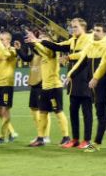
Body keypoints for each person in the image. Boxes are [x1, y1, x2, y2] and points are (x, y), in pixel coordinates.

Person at [34, 18, 93, 149]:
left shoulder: (88, 39)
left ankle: (87, 140)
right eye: (71, 27)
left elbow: (84, 54)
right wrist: (39, 41)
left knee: (86, 111)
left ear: (83, 27)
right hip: (73, 79)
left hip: (85, 78)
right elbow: (57, 46)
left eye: (76, 27)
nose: (73, 29)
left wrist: (68, 57)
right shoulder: (72, 40)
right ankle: (75, 139)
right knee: (73, 110)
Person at [66, 24, 106, 152]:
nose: (94, 33)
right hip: (94, 85)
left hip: (104, 84)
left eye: (98, 31)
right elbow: (82, 62)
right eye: (94, 30)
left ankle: (96, 143)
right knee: (103, 113)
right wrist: (71, 75)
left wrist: (95, 78)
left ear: (105, 33)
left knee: (101, 114)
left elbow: (104, 65)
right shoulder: (91, 46)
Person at [25, 30, 72, 146]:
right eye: (40, 38)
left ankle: (66, 137)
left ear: (49, 41)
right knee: (42, 112)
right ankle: (41, 138)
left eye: (43, 38)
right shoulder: (43, 52)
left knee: (58, 111)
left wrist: (36, 42)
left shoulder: (52, 51)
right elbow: (38, 50)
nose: (41, 40)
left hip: (54, 86)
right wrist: (31, 42)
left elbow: (42, 49)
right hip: (45, 87)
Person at [16, 31, 50, 144]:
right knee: (33, 108)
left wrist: (32, 41)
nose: (40, 40)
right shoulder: (36, 53)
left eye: (42, 39)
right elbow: (26, 58)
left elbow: (37, 49)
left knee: (43, 111)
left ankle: (46, 136)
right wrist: (18, 49)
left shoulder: (45, 52)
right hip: (34, 83)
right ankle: (40, 134)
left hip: (42, 83)